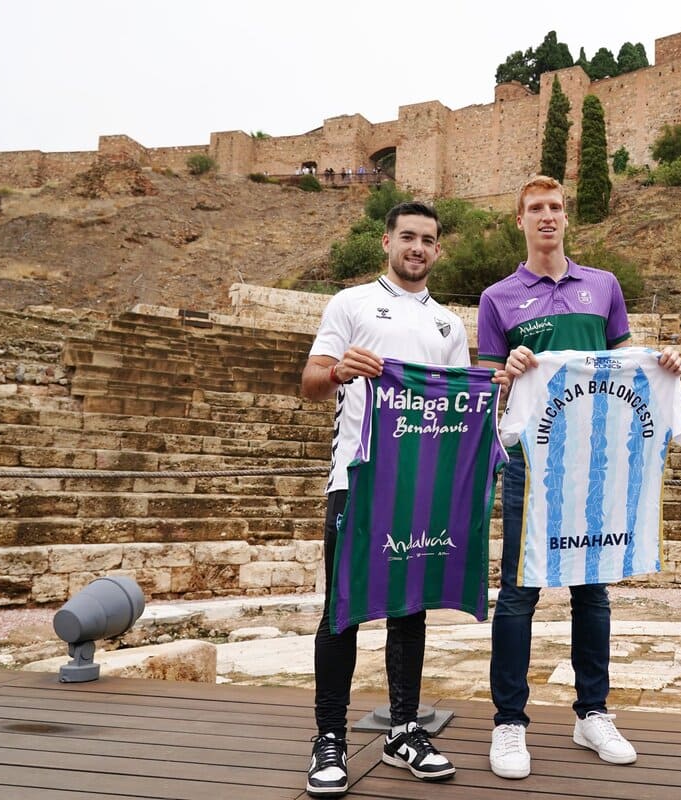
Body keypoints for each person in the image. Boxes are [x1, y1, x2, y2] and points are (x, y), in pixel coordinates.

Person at [476, 175, 681, 779]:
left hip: (597, 464)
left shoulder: (604, 286)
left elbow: (626, 367)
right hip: (531, 469)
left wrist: (665, 362)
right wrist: (509, 371)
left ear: (568, 218)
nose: (548, 217)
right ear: (520, 220)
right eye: (536, 209)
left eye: (557, 207)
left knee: (593, 589)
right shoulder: (498, 299)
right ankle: (509, 723)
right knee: (519, 594)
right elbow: (490, 391)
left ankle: (592, 711)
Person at [301, 201, 467, 796]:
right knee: (340, 611)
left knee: (410, 608)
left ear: (438, 249)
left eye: (427, 239)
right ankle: (330, 739)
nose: (416, 248)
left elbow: (459, 408)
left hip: (419, 487)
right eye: (407, 237)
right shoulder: (348, 304)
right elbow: (311, 381)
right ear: (386, 242)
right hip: (357, 479)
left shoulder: (451, 324)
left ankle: (403, 730)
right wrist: (341, 370)